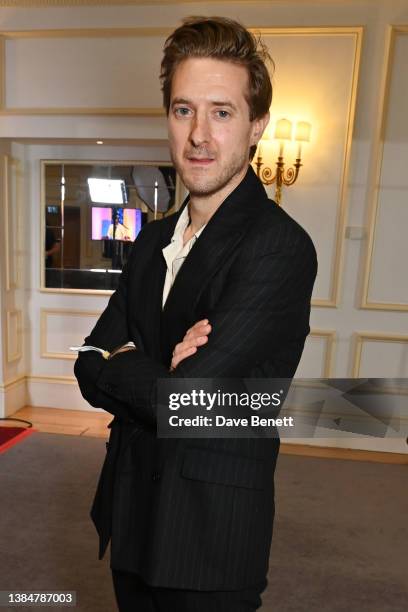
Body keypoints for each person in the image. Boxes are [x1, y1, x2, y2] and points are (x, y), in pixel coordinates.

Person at [74, 16, 317, 612]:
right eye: (184, 110)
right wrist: (158, 368)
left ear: (257, 124)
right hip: (130, 515)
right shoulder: (151, 239)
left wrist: (126, 362)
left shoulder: (278, 245)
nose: (199, 135)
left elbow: (190, 400)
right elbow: (85, 363)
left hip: (209, 538)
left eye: (222, 112)